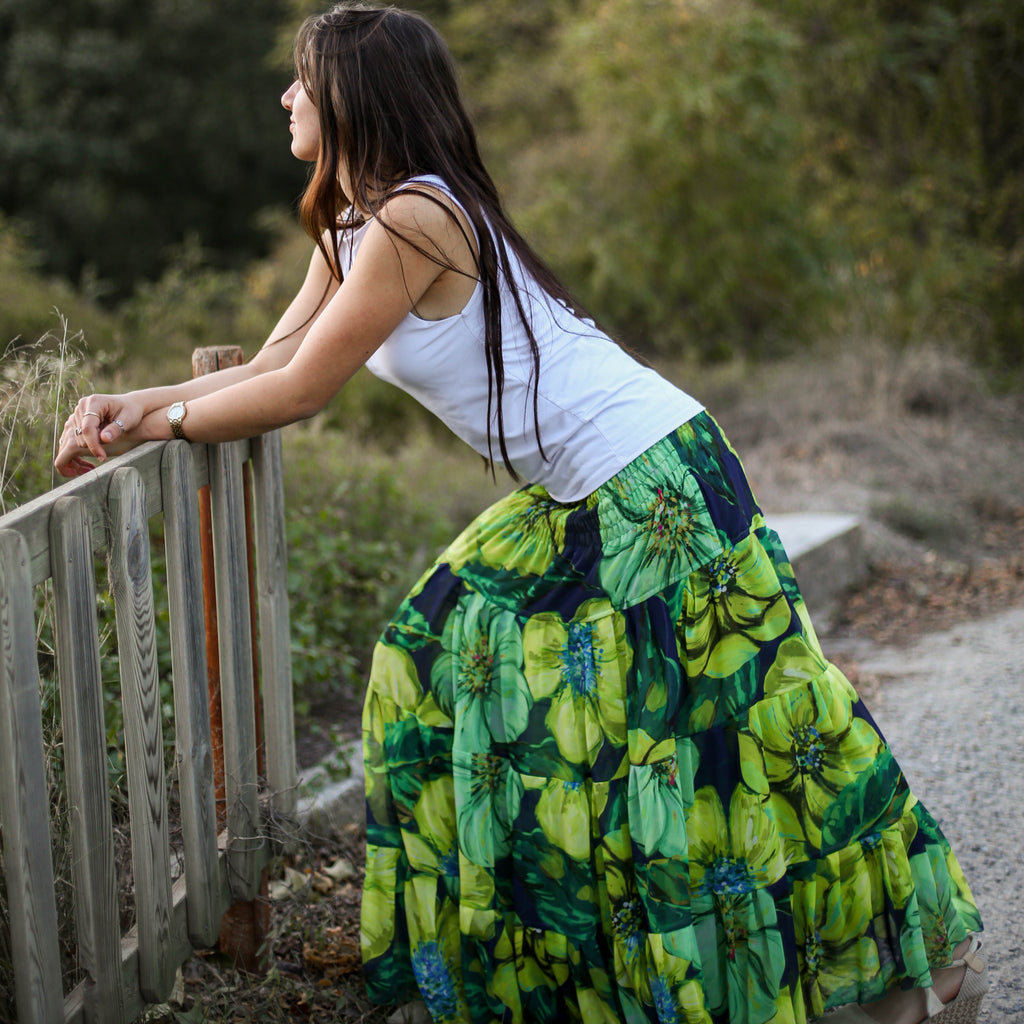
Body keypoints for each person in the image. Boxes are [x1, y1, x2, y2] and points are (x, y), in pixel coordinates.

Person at [55, 4, 987, 1023]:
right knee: (433, 655)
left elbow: (301, 391)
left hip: (654, 481)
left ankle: (915, 969)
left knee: (731, 736)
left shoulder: (416, 218)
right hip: (583, 492)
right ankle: (526, 967)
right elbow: (274, 357)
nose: (285, 98)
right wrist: (131, 410)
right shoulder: (358, 222)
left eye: (300, 81)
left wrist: (163, 422)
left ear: (352, 99)